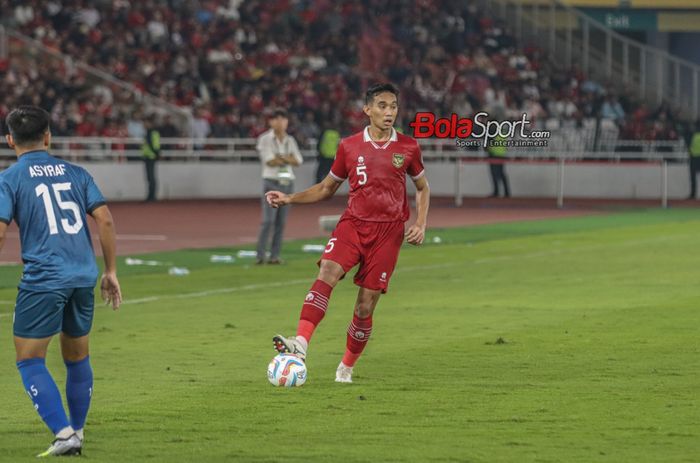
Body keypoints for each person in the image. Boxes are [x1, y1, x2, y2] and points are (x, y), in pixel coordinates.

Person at [266, 83, 430, 383]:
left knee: (365, 306)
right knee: (327, 270)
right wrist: (290, 198)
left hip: (388, 232)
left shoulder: (408, 147)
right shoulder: (349, 146)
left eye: (393, 106)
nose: (389, 112)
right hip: (353, 223)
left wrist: (419, 224)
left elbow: (422, 187)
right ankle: (300, 344)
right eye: (382, 105)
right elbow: (327, 188)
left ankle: (346, 366)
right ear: (367, 109)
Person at [0, 106, 122, 457]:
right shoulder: (77, 173)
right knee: (77, 357)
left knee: (29, 360)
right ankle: (78, 430)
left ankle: (64, 433)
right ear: (49, 135)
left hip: (44, 278)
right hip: (83, 276)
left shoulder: (9, 178)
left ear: (10, 140)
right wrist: (110, 271)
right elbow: (106, 221)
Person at [256, 108, 303, 264]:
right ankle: (260, 255)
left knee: (281, 222)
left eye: (283, 119)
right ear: (270, 122)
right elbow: (269, 161)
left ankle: (274, 256)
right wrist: (287, 158)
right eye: (276, 119)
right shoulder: (265, 139)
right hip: (271, 182)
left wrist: (281, 158)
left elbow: (298, 161)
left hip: (287, 182)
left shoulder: (290, 140)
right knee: (268, 221)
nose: (280, 122)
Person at [142, 118, 160, 202]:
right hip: (148, 156)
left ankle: (152, 196)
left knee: (151, 177)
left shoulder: (151, 133)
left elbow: (154, 145)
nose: (144, 125)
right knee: (150, 177)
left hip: (151, 157)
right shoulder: (150, 132)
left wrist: (156, 154)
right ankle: (151, 196)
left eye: (145, 123)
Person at [687, 121, 700, 199]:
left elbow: (689, 146)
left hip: (694, 157)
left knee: (693, 177)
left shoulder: (693, 135)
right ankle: (692, 194)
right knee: (693, 177)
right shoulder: (694, 135)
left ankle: (693, 194)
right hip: (695, 157)